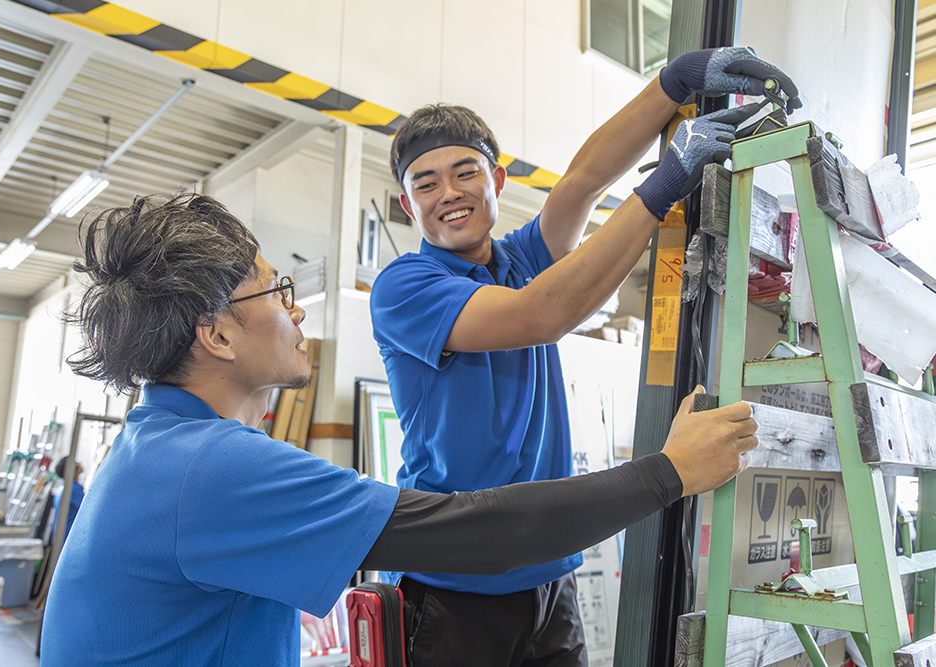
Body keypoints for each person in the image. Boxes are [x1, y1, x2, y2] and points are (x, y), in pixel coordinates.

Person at [40, 193, 757, 666]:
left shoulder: (161, 446)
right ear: (217, 335)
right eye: (277, 290)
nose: (296, 309)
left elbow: (575, 193)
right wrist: (670, 472)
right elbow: (480, 534)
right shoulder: (206, 467)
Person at [370, 46, 799, 666]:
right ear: (408, 204)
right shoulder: (404, 287)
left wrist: (673, 82)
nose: (450, 193)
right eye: (426, 183)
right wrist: (665, 182)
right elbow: (539, 315)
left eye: (466, 172)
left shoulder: (520, 258)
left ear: (497, 181)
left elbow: (581, 182)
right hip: (453, 584)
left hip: (548, 573)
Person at [50, 456, 84, 545]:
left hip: (60, 536)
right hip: (69, 537)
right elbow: (88, 509)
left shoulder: (61, 488)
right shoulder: (73, 489)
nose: (80, 464)